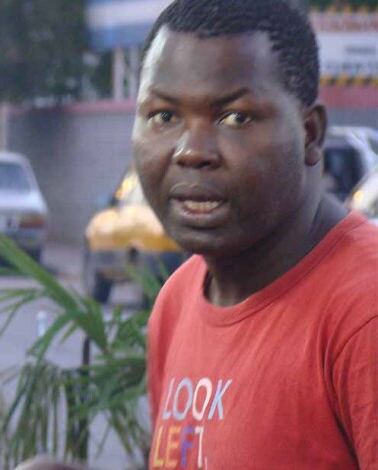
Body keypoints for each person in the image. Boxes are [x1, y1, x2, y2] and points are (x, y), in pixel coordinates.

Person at [133, 1, 377, 469]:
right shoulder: (176, 303)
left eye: (235, 117)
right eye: (164, 116)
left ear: (310, 133)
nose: (191, 151)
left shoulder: (364, 313)